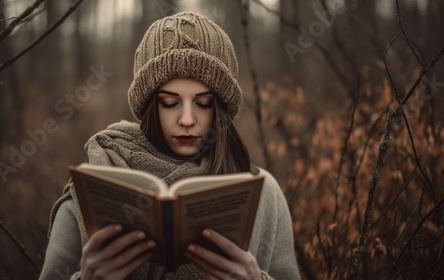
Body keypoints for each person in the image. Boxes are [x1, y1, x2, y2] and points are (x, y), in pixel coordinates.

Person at [39, 12, 300, 280]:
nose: (187, 120)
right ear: (152, 107)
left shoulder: (264, 195)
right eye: (170, 103)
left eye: (202, 103)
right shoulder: (92, 196)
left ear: (220, 108)